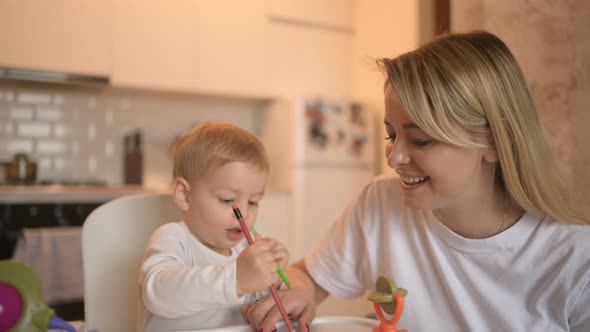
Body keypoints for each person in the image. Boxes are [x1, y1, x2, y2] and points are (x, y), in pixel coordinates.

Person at [241, 31, 590, 332]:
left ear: (495, 142)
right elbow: (312, 277)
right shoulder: (380, 201)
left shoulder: (574, 259)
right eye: (391, 135)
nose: (394, 158)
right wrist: (299, 293)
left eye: (421, 140)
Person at [137, 121, 289, 331]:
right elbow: (157, 293)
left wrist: (273, 279)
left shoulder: (245, 248)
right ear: (185, 195)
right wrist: (236, 278)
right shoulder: (173, 239)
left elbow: (257, 308)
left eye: (253, 202)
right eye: (228, 200)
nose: (244, 214)